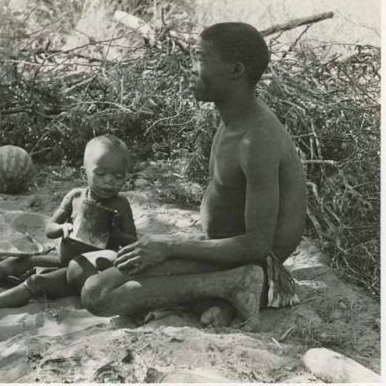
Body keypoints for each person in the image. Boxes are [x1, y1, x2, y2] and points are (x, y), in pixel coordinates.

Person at [78, 22, 307, 331]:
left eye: (199, 59)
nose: (190, 69)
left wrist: (169, 247)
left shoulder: (257, 141)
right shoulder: (233, 121)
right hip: (222, 252)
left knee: (98, 295)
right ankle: (221, 293)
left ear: (236, 70)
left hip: (256, 264)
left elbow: (257, 246)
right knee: (96, 280)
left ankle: (231, 286)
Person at [0, 135, 137, 317]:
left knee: (37, 281)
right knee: (15, 263)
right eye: (101, 174)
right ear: (85, 173)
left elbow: (133, 243)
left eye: (118, 177)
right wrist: (63, 229)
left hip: (84, 272)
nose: (109, 182)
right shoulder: (75, 197)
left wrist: (115, 235)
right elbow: (49, 228)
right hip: (63, 259)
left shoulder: (121, 205)